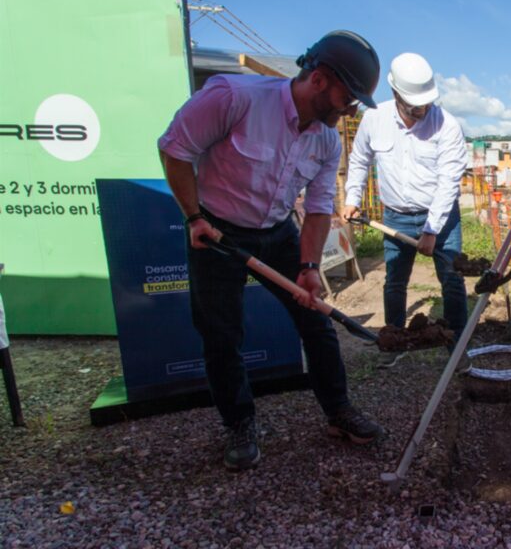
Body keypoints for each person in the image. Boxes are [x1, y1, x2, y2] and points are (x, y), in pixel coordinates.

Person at [158, 30, 384, 471]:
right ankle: (240, 423)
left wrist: (309, 266)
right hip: (217, 232)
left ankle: (338, 410)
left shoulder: (326, 139)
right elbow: (174, 149)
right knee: (222, 336)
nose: (351, 107)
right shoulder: (233, 97)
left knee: (316, 321)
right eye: (348, 95)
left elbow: (318, 209)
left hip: (277, 231)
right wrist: (194, 217)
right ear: (319, 80)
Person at [342, 53, 469, 340]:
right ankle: (394, 339)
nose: (421, 109)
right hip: (395, 216)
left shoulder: (446, 125)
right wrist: (352, 198)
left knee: (452, 280)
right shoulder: (374, 118)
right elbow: (360, 159)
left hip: (441, 218)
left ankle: (457, 346)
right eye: (413, 104)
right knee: (395, 283)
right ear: (395, 92)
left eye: (425, 102)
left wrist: (431, 229)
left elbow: (449, 181)